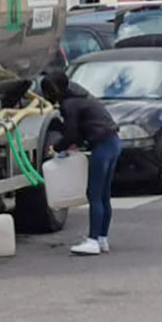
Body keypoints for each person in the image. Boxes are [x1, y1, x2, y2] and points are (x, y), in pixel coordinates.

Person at [41, 70, 122, 256]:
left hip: (102, 146)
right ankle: (102, 239)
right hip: (113, 142)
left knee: (94, 194)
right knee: (103, 195)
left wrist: (58, 147)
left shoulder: (70, 104)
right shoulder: (81, 96)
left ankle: (93, 240)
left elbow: (71, 133)